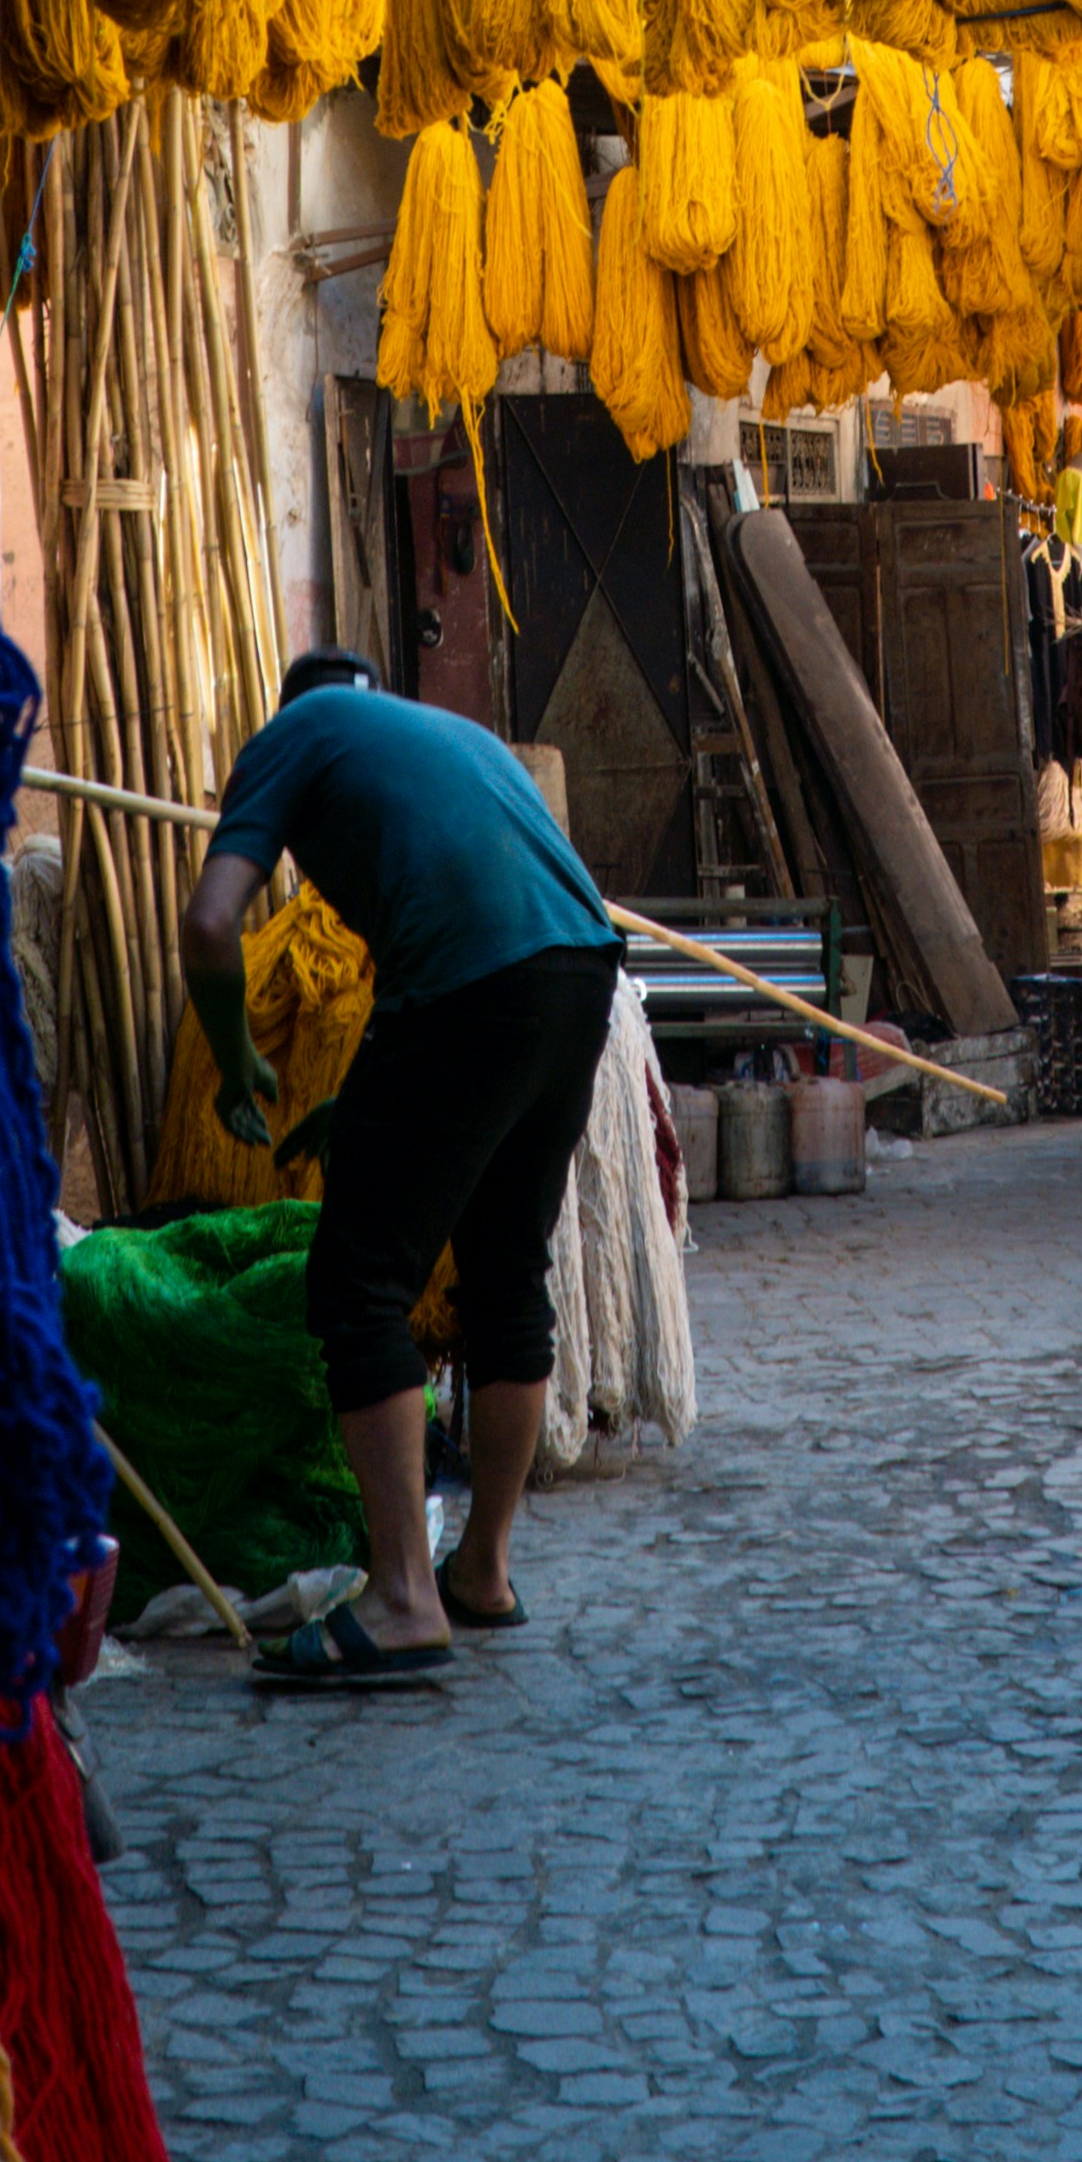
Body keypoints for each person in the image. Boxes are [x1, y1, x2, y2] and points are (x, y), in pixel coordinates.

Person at [179, 650, 622, 1690]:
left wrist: (233, 1042)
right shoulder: (438, 734)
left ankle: (401, 1595)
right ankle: (483, 1570)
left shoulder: (290, 735)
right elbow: (452, 921)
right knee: (507, 1270)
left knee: (358, 1278)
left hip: (479, 985)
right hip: (576, 971)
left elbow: (208, 923)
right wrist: (370, 1101)